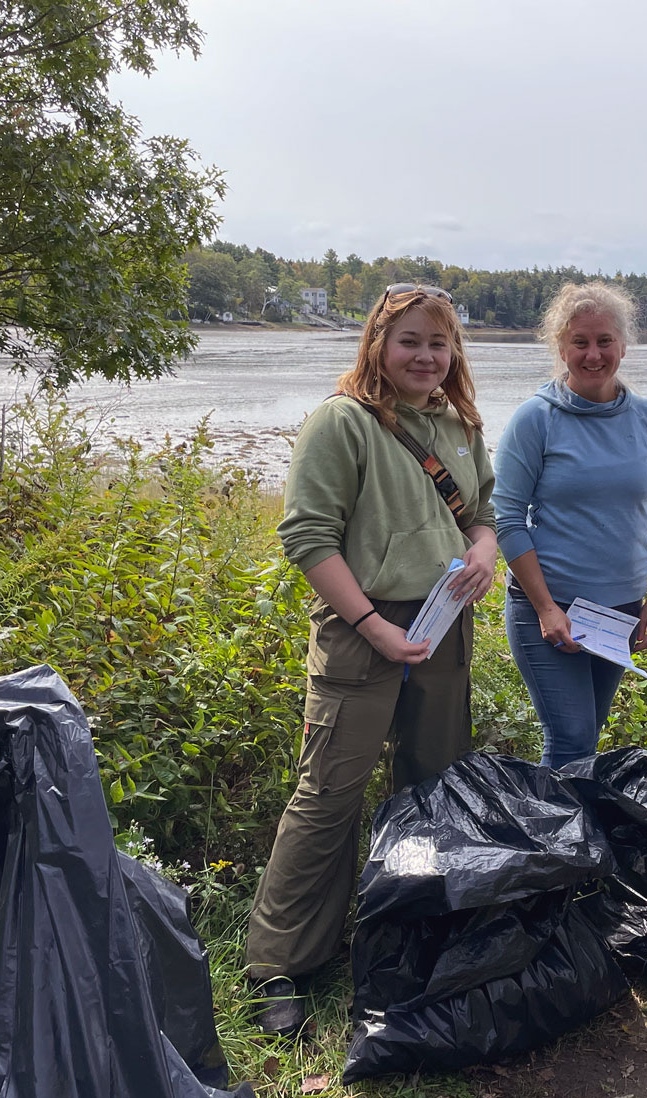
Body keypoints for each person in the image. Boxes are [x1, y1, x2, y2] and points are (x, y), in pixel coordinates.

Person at [244, 284, 499, 1037]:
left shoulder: (460, 424)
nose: (425, 356)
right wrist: (369, 623)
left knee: (431, 787)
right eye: (410, 341)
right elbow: (308, 537)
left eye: (439, 343)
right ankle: (280, 963)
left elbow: (484, 513)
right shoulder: (342, 422)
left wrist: (483, 551)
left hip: (443, 626)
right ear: (377, 345)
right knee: (329, 795)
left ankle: (408, 931)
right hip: (363, 629)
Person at [493, 281, 647, 768]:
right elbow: (508, 518)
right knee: (571, 739)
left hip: (619, 611)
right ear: (561, 348)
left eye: (603, 341)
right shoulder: (535, 419)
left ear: (623, 344)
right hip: (551, 610)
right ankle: (563, 844)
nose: (593, 355)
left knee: (586, 738)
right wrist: (547, 608)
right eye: (580, 342)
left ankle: (571, 840)